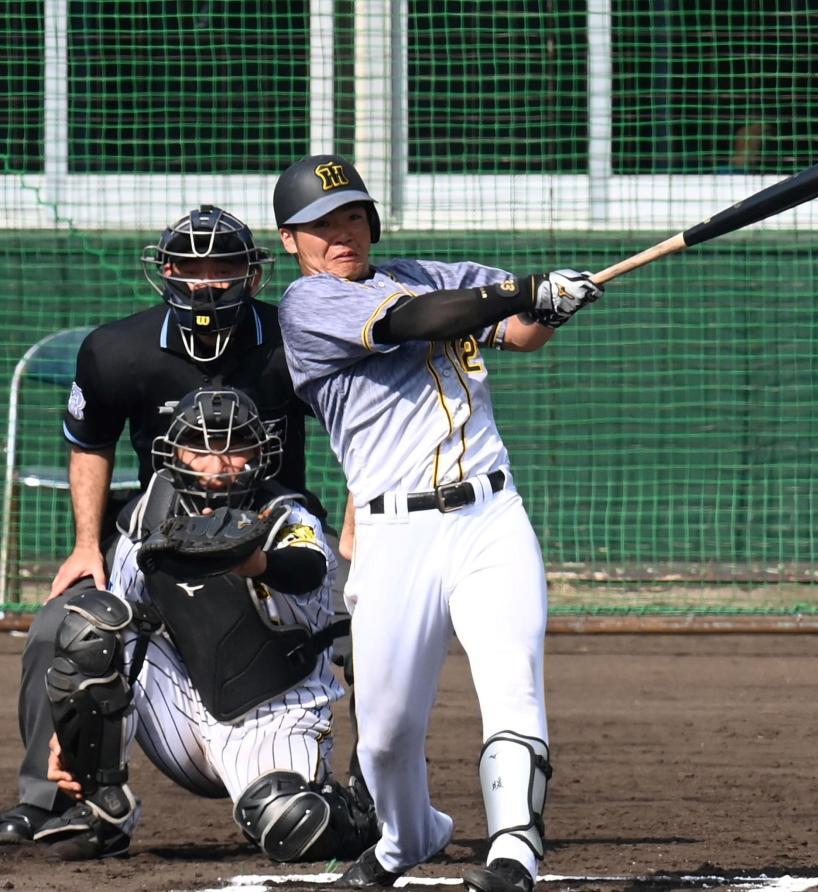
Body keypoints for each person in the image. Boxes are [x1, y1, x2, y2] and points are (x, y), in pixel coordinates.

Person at [272, 154, 604, 892]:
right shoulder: (308, 307)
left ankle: (515, 851)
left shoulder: (430, 271)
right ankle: (408, 838)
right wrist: (522, 288)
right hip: (395, 538)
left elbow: (515, 330)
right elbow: (416, 321)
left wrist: (548, 308)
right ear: (291, 241)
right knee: (385, 738)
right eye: (319, 225)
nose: (340, 234)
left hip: (489, 517)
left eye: (352, 216)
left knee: (511, 682)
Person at [0, 206, 353, 845]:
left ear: (252, 273)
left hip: (273, 523)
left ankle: (375, 788)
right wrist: (86, 546)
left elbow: (362, 429)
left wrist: (359, 531)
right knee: (72, 624)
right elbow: (90, 444)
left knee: (373, 623)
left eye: (224, 266)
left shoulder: (294, 340)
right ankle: (69, 795)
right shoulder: (117, 350)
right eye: (192, 266)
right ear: (165, 271)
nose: (208, 281)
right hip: (166, 522)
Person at [33, 387, 377, 862]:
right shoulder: (146, 523)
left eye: (234, 448)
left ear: (262, 453)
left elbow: (306, 570)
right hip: (185, 712)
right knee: (93, 624)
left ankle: (361, 813)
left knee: (289, 825)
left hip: (275, 713)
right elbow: (120, 630)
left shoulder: (288, 516)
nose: (217, 466)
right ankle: (103, 809)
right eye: (199, 448)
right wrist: (70, 733)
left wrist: (251, 561)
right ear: (173, 454)